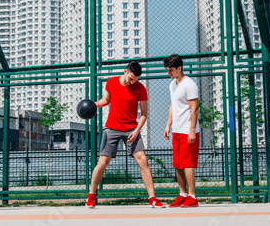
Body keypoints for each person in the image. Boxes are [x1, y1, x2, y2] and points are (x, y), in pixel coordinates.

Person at [86, 61, 165, 208]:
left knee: (143, 161)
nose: (132, 82)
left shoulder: (140, 88)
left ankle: (152, 198)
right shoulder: (111, 82)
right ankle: (91, 195)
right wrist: (93, 104)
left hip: (131, 129)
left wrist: (136, 131)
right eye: (131, 79)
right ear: (125, 71)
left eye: (135, 80)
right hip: (112, 127)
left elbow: (144, 114)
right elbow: (106, 100)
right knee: (103, 162)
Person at [164, 54, 200, 207]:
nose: (169, 73)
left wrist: (191, 131)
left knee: (187, 164)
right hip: (177, 131)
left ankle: (192, 197)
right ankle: (182, 194)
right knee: (178, 164)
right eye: (167, 70)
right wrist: (168, 125)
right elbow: (173, 105)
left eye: (171, 70)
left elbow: (194, 109)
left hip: (188, 131)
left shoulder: (189, 84)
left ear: (179, 68)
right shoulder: (173, 85)